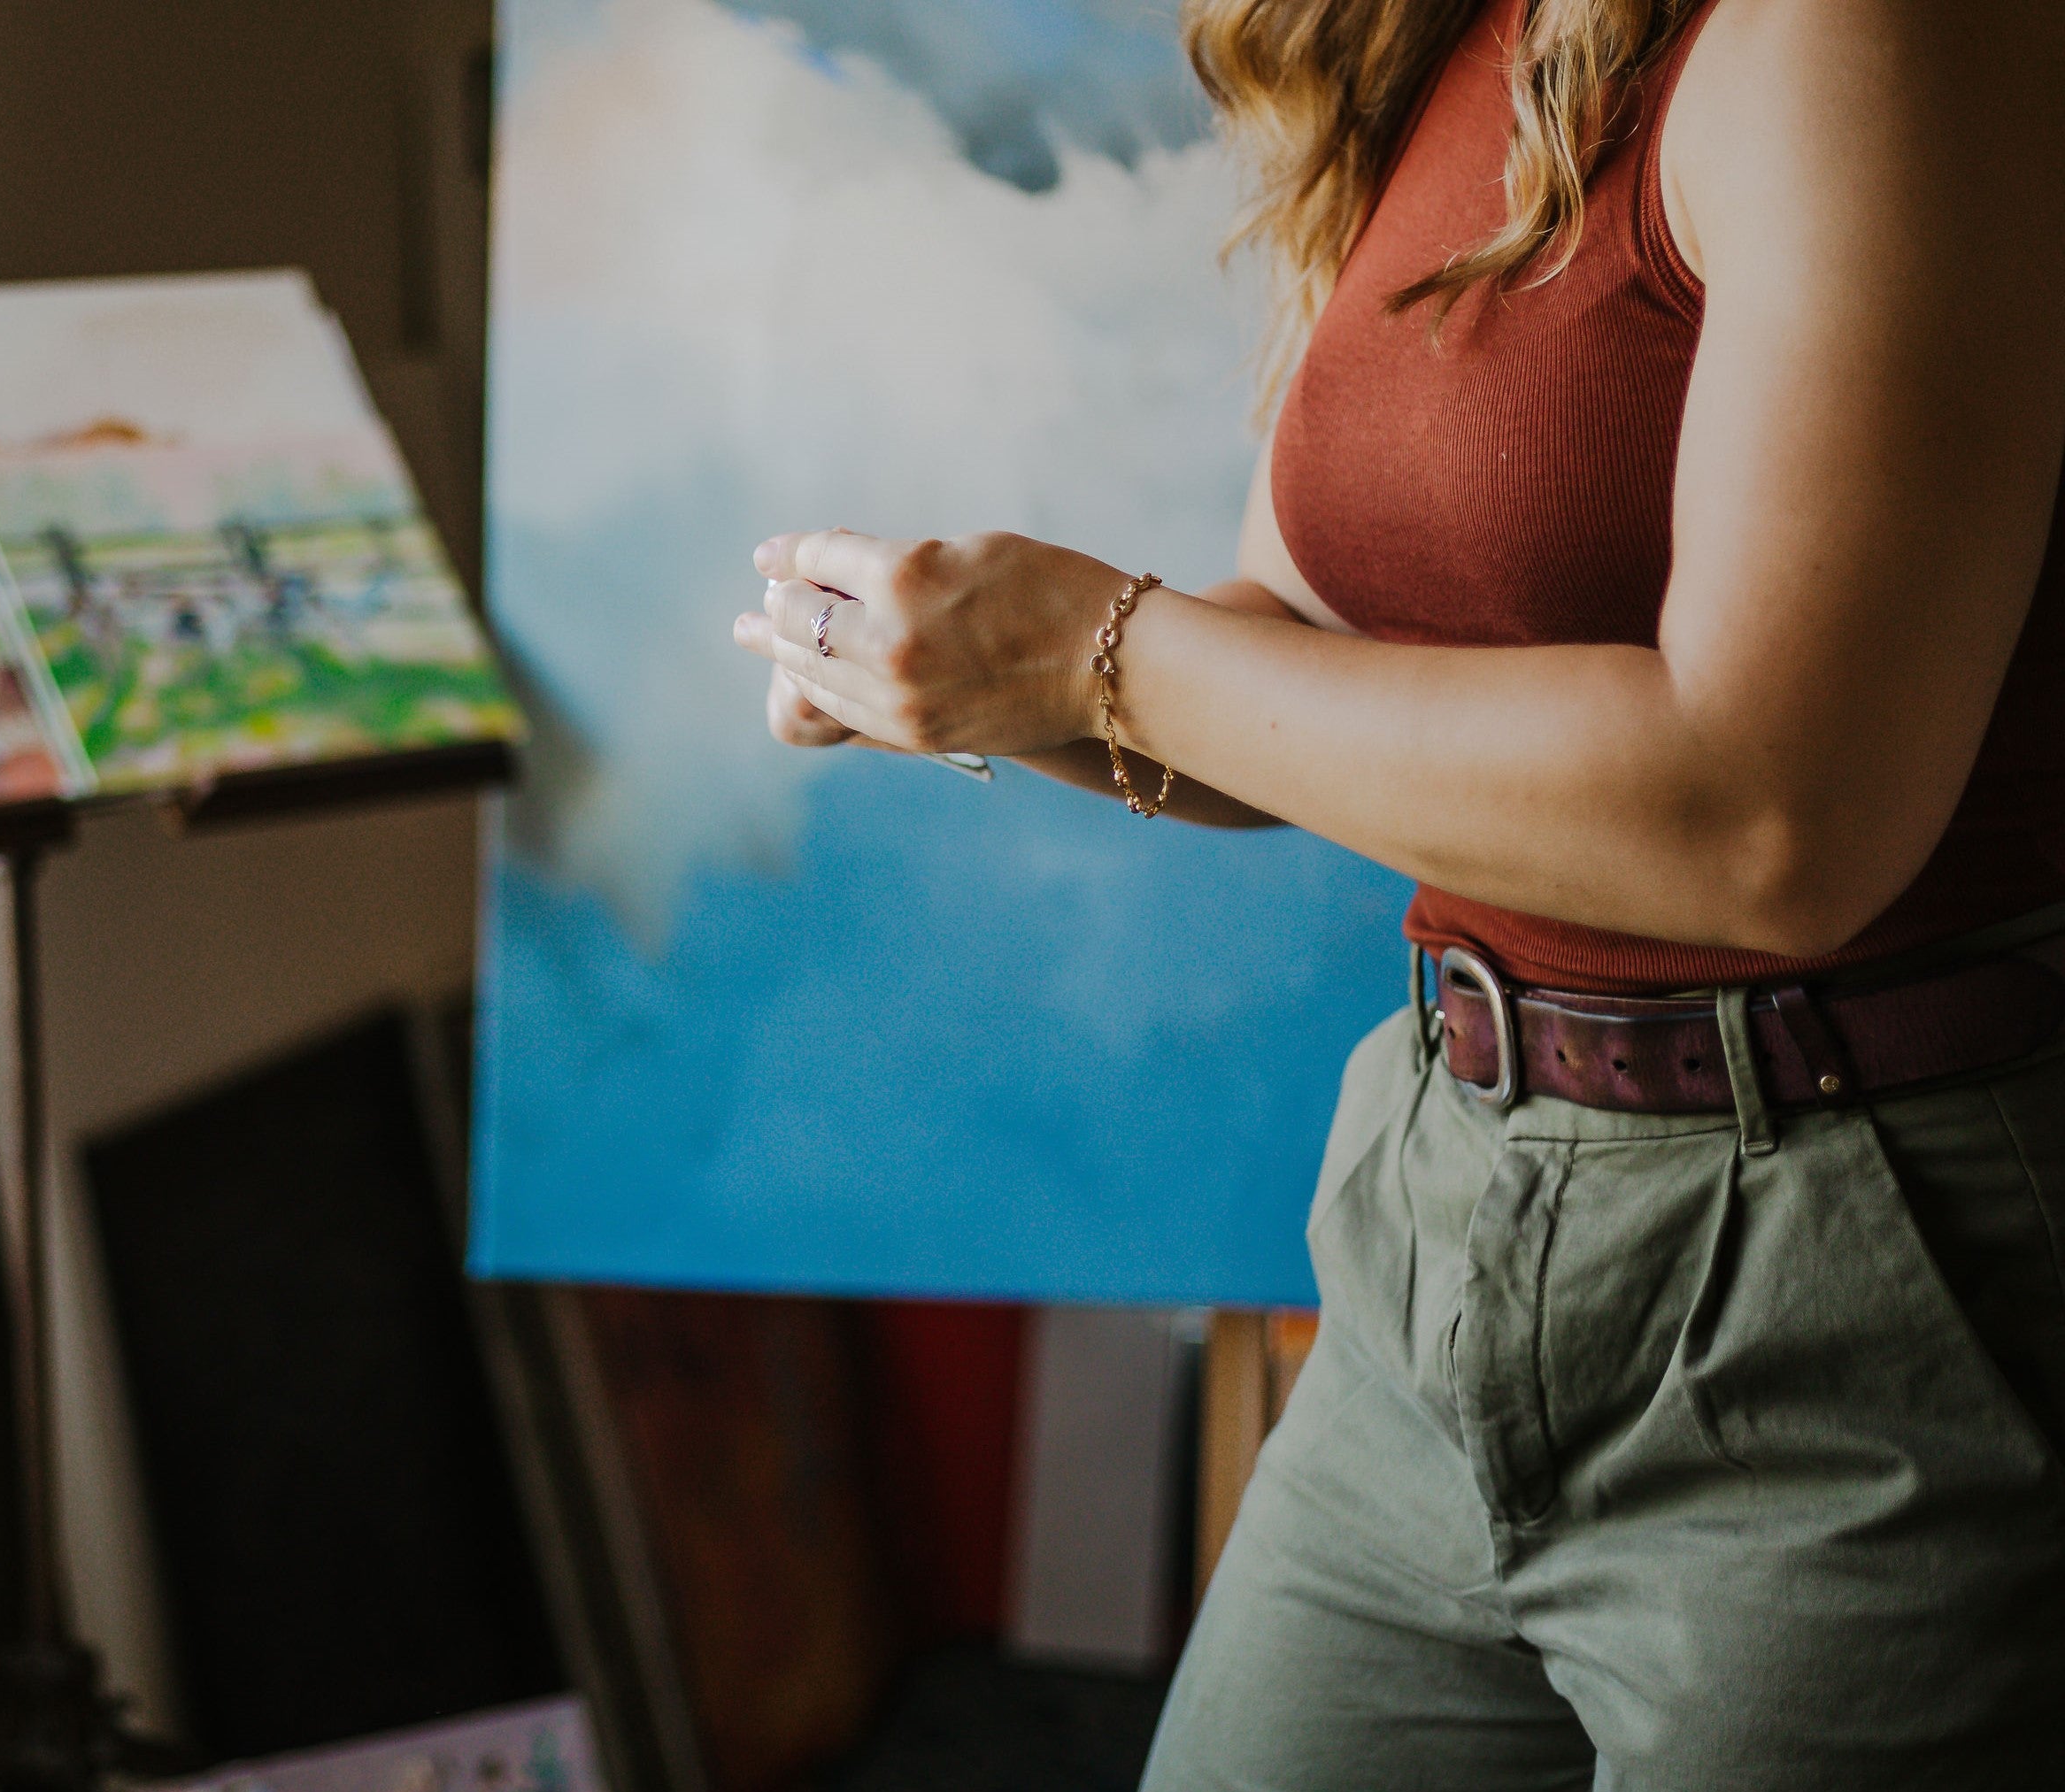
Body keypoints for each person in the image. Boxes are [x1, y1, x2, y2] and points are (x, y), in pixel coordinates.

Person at [731, 1, 2065, 1783]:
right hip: (1444, 1226)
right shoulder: (1441, 41)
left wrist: (1090, 650)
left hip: (1853, 1273)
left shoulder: (1869, 35)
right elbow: (1299, 659)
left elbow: (1780, 822)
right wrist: (980, 675)